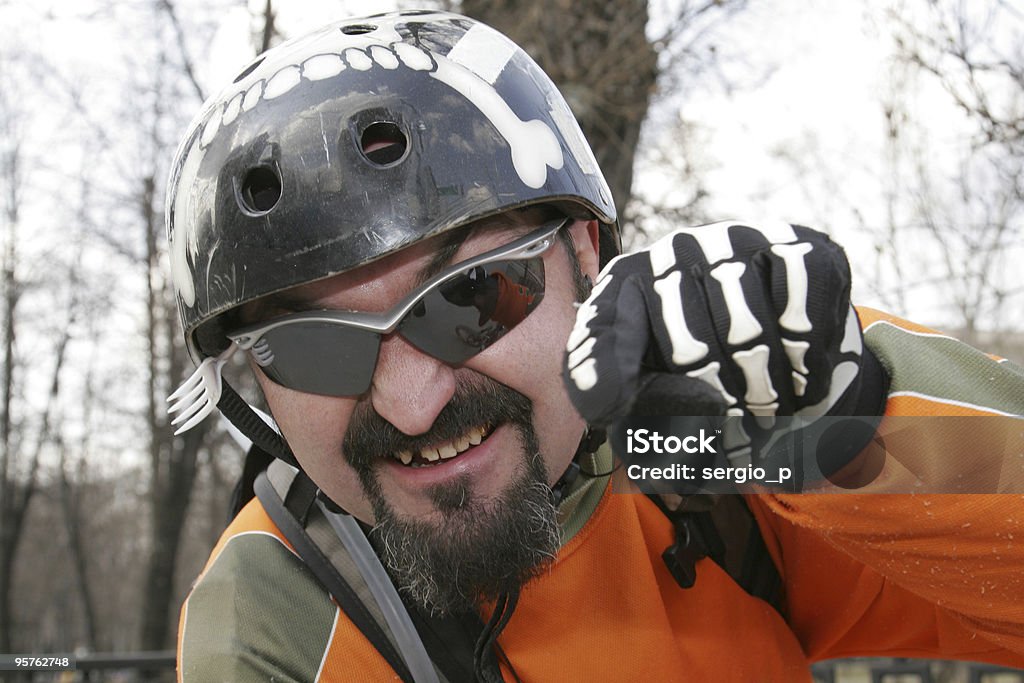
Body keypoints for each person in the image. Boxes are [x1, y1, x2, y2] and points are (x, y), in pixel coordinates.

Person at [165, 10, 1024, 682]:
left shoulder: (716, 451)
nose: (412, 400)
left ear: (584, 256)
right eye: (312, 348)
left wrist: (865, 431)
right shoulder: (275, 614)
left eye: (472, 295)